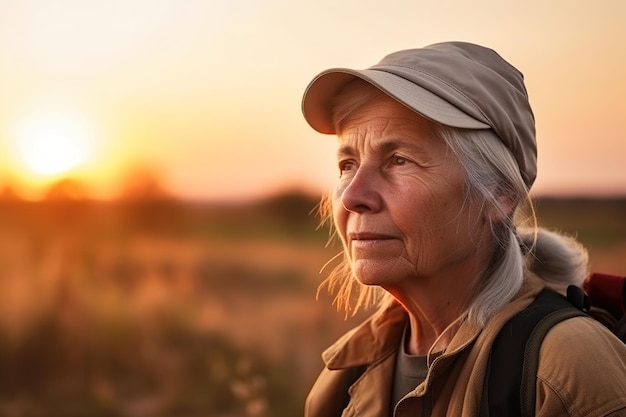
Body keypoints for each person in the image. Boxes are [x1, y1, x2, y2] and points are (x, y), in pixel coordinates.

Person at [300, 41, 626, 417]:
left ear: (500, 194)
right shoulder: (343, 376)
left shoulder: (567, 371)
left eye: (399, 160)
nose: (353, 196)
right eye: (347, 164)